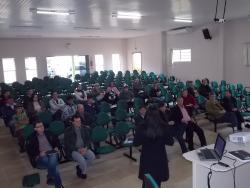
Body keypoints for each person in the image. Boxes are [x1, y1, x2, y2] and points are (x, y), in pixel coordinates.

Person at [134, 105, 174, 188]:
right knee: (156, 183)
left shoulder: (141, 127)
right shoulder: (163, 126)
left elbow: (136, 143)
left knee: (148, 182)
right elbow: (171, 142)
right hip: (160, 159)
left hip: (147, 160)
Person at [26, 120, 63, 188]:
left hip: (52, 153)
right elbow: (29, 151)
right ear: (35, 129)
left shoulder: (49, 133)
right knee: (54, 165)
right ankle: (58, 184)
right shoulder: (31, 138)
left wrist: (56, 147)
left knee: (53, 158)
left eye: (42, 126)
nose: (41, 127)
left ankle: (55, 182)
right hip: (41, 157)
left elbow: (57, 142)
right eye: (39, 126)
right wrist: (39, 153)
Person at [64, 115, 95, 179]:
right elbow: (67, 144)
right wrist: (78, 150)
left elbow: (88, 139)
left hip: (84, 147)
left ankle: (79, 167)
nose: (79, 123)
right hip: (74, 150)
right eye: (77, 121)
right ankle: (83, 173)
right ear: (72, 122)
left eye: (79, 121)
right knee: (82, 161)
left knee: (92, 156)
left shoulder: (84, 128)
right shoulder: (68, 130)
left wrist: (86, 147)